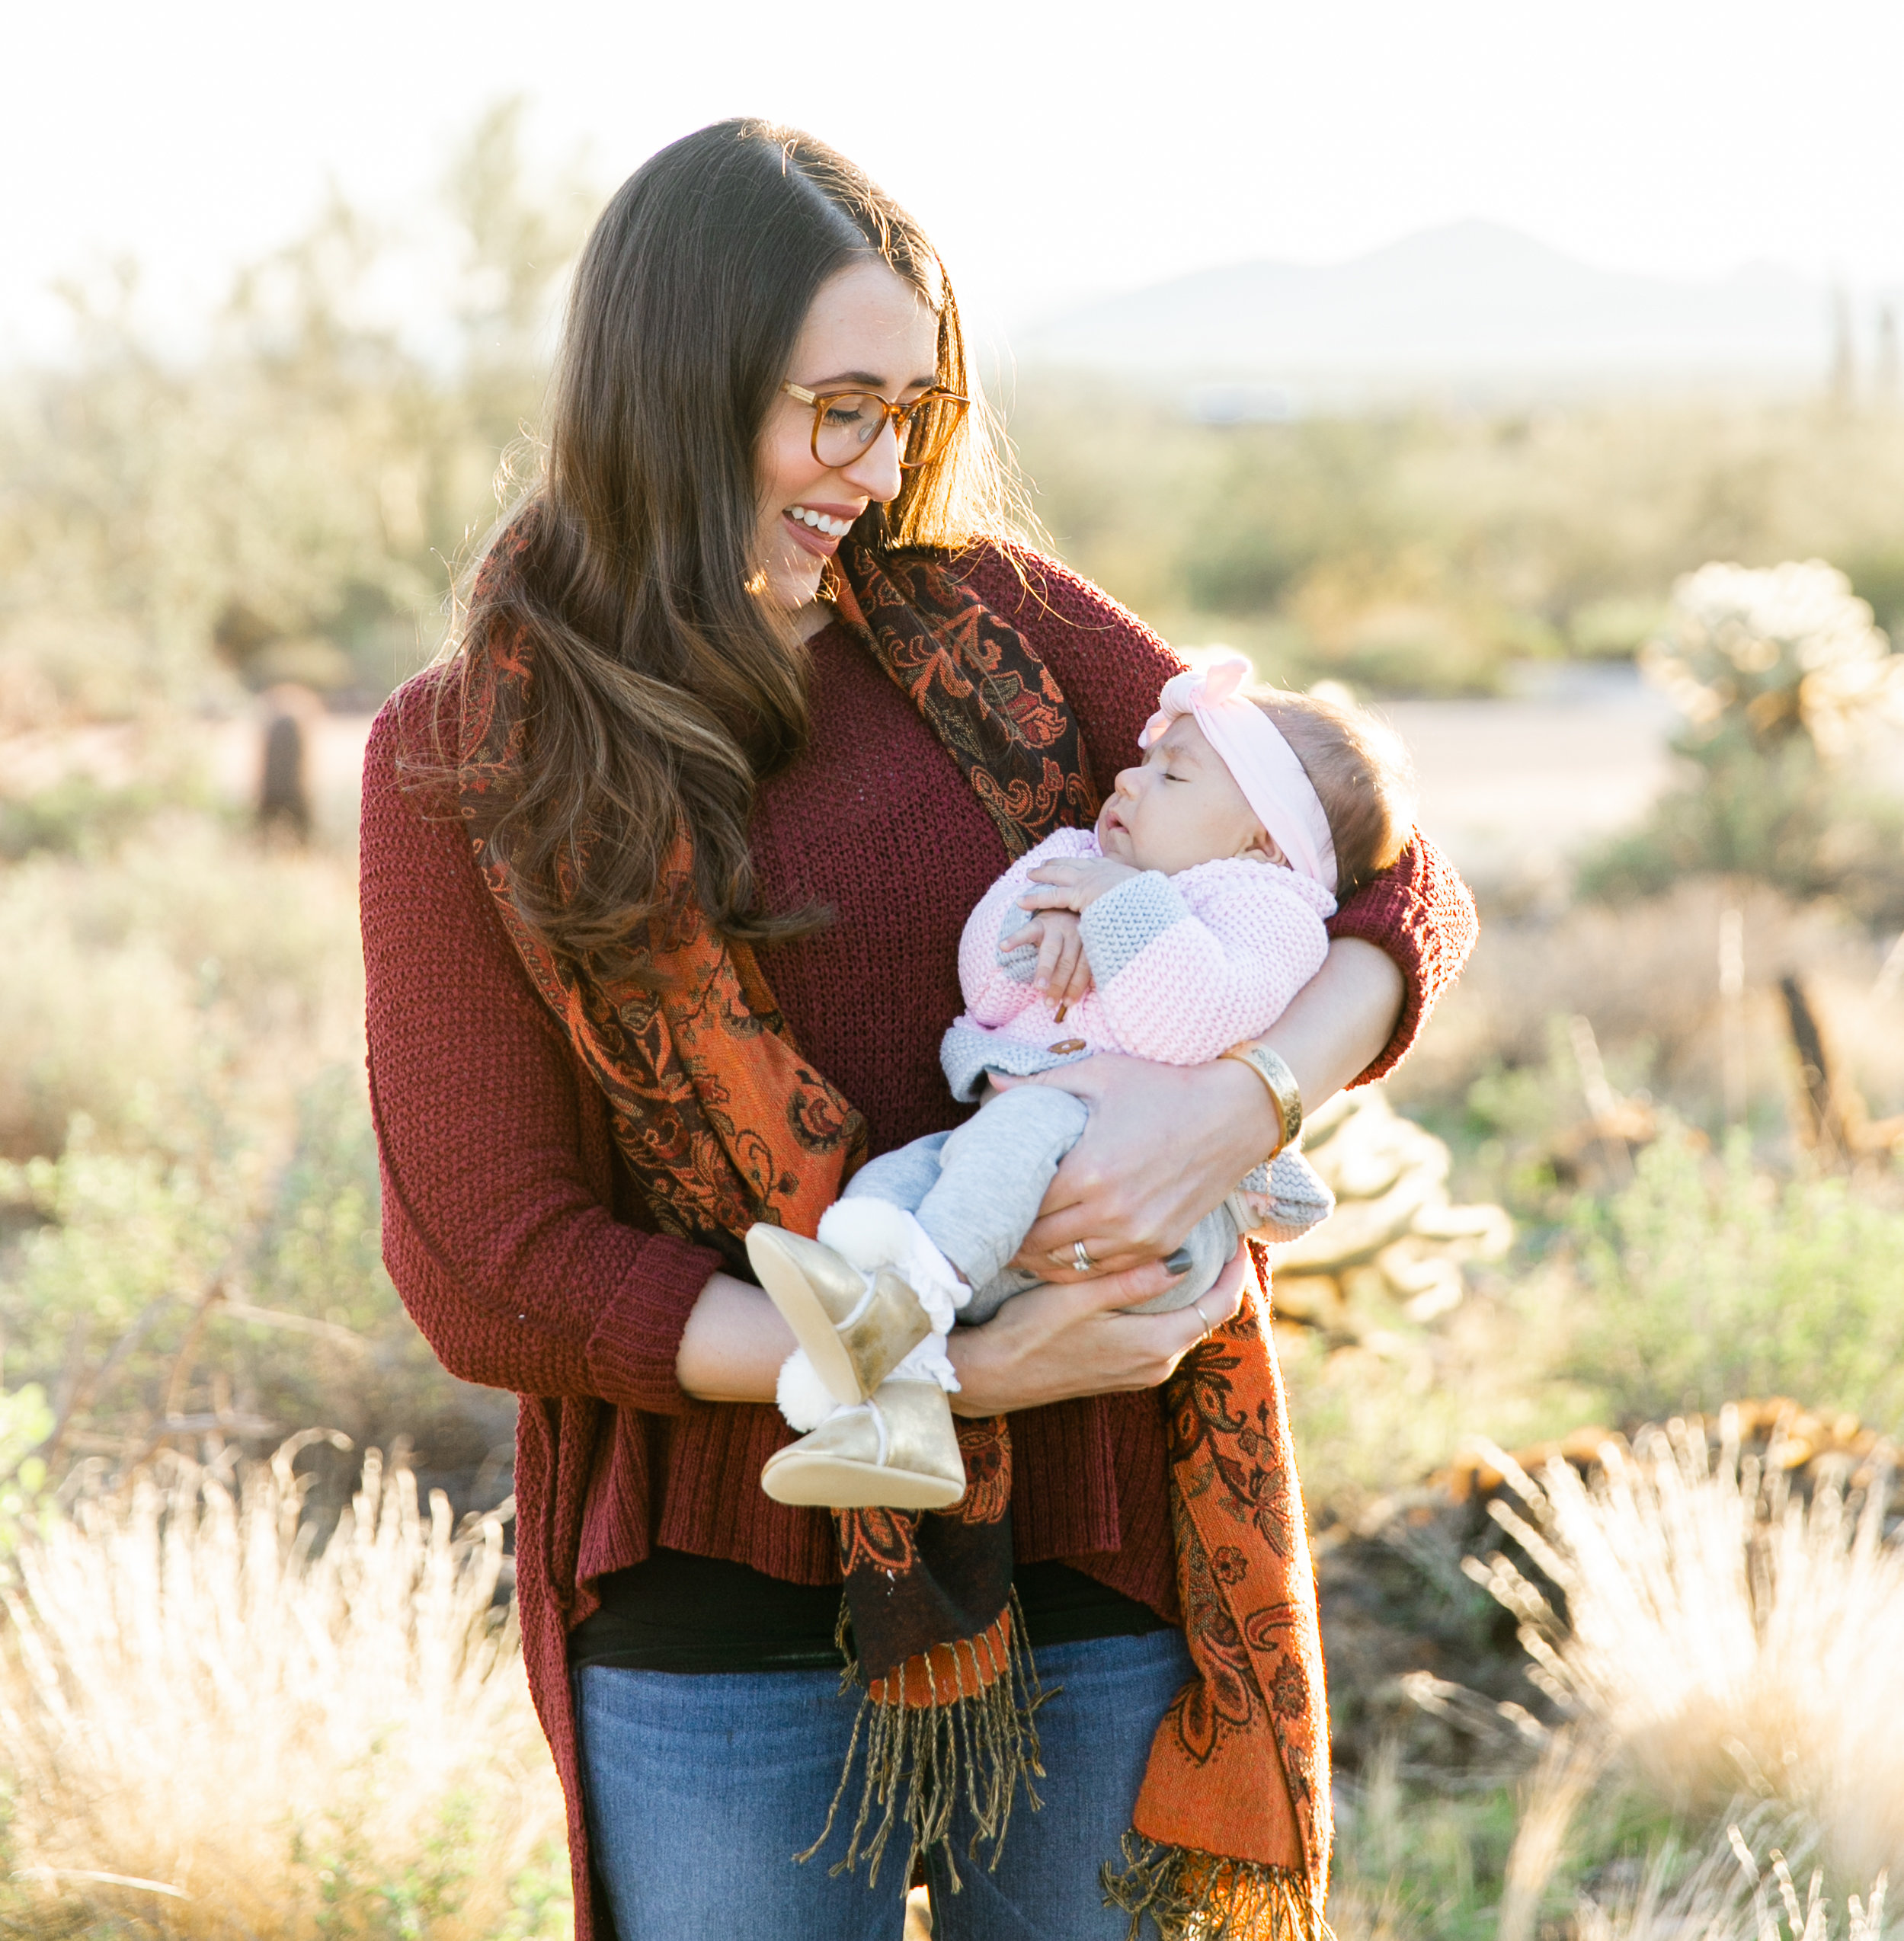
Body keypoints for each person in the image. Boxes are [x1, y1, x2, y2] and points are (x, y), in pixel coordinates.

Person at [360, 118, 1478, 1941]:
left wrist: (1249, 1099)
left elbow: (1386, 863)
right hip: (726, 1593)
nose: (877, 470)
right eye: (835, 407)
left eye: (911, 410)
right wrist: (928, 1376)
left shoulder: (1002, 633)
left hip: (1101, 1548)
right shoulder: (471, 756)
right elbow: (491, 1266)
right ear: (674, 386)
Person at [750, 657, 1413, 1514]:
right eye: (1142, 762)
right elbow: (986, 990)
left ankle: (903, 1308)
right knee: (881, 1191)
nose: (1130, 780)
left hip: (1152, 1218)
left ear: (1266, 840)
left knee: (1007, 1138)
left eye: (1173, 773)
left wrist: (1119, 902)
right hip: (1018, 1156)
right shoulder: (1087, 864)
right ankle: (904, 1414)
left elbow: (1193, 1020)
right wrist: (1042, 916)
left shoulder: (1267, 908)